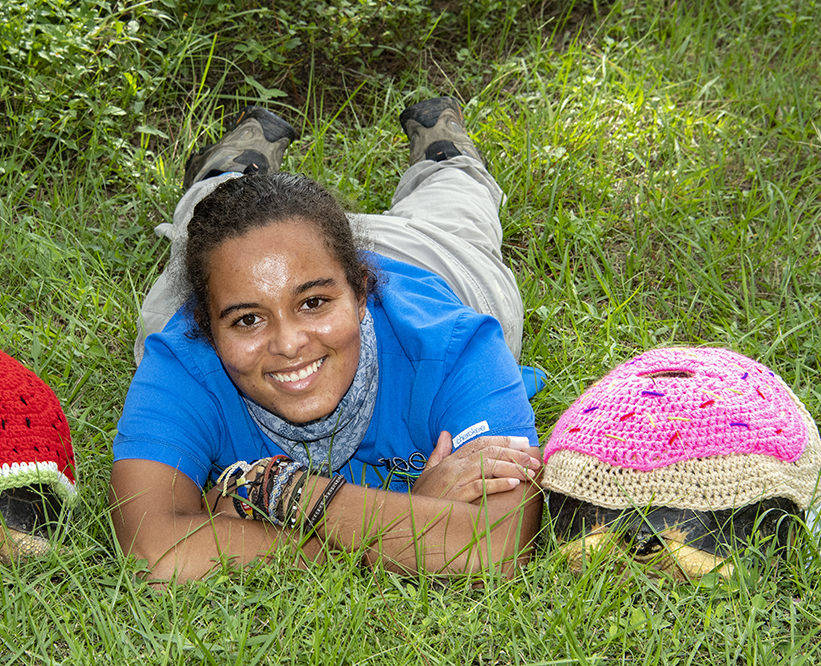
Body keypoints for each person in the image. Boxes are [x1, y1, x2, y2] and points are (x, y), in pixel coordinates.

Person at [111, 98, 545, 584]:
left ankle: (444, 155)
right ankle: (231, 168)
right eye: (247, 320)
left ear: (362, 292)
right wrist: (412, 519)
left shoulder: (455, 347)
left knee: (456, 210)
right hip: (268, 257)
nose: (289, 343)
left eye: (314, 304)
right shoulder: (183, 359)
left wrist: (282, 494)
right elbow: (153, 551)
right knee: (210, 229)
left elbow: (496, 547)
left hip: (432, 257)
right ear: (207, 328)